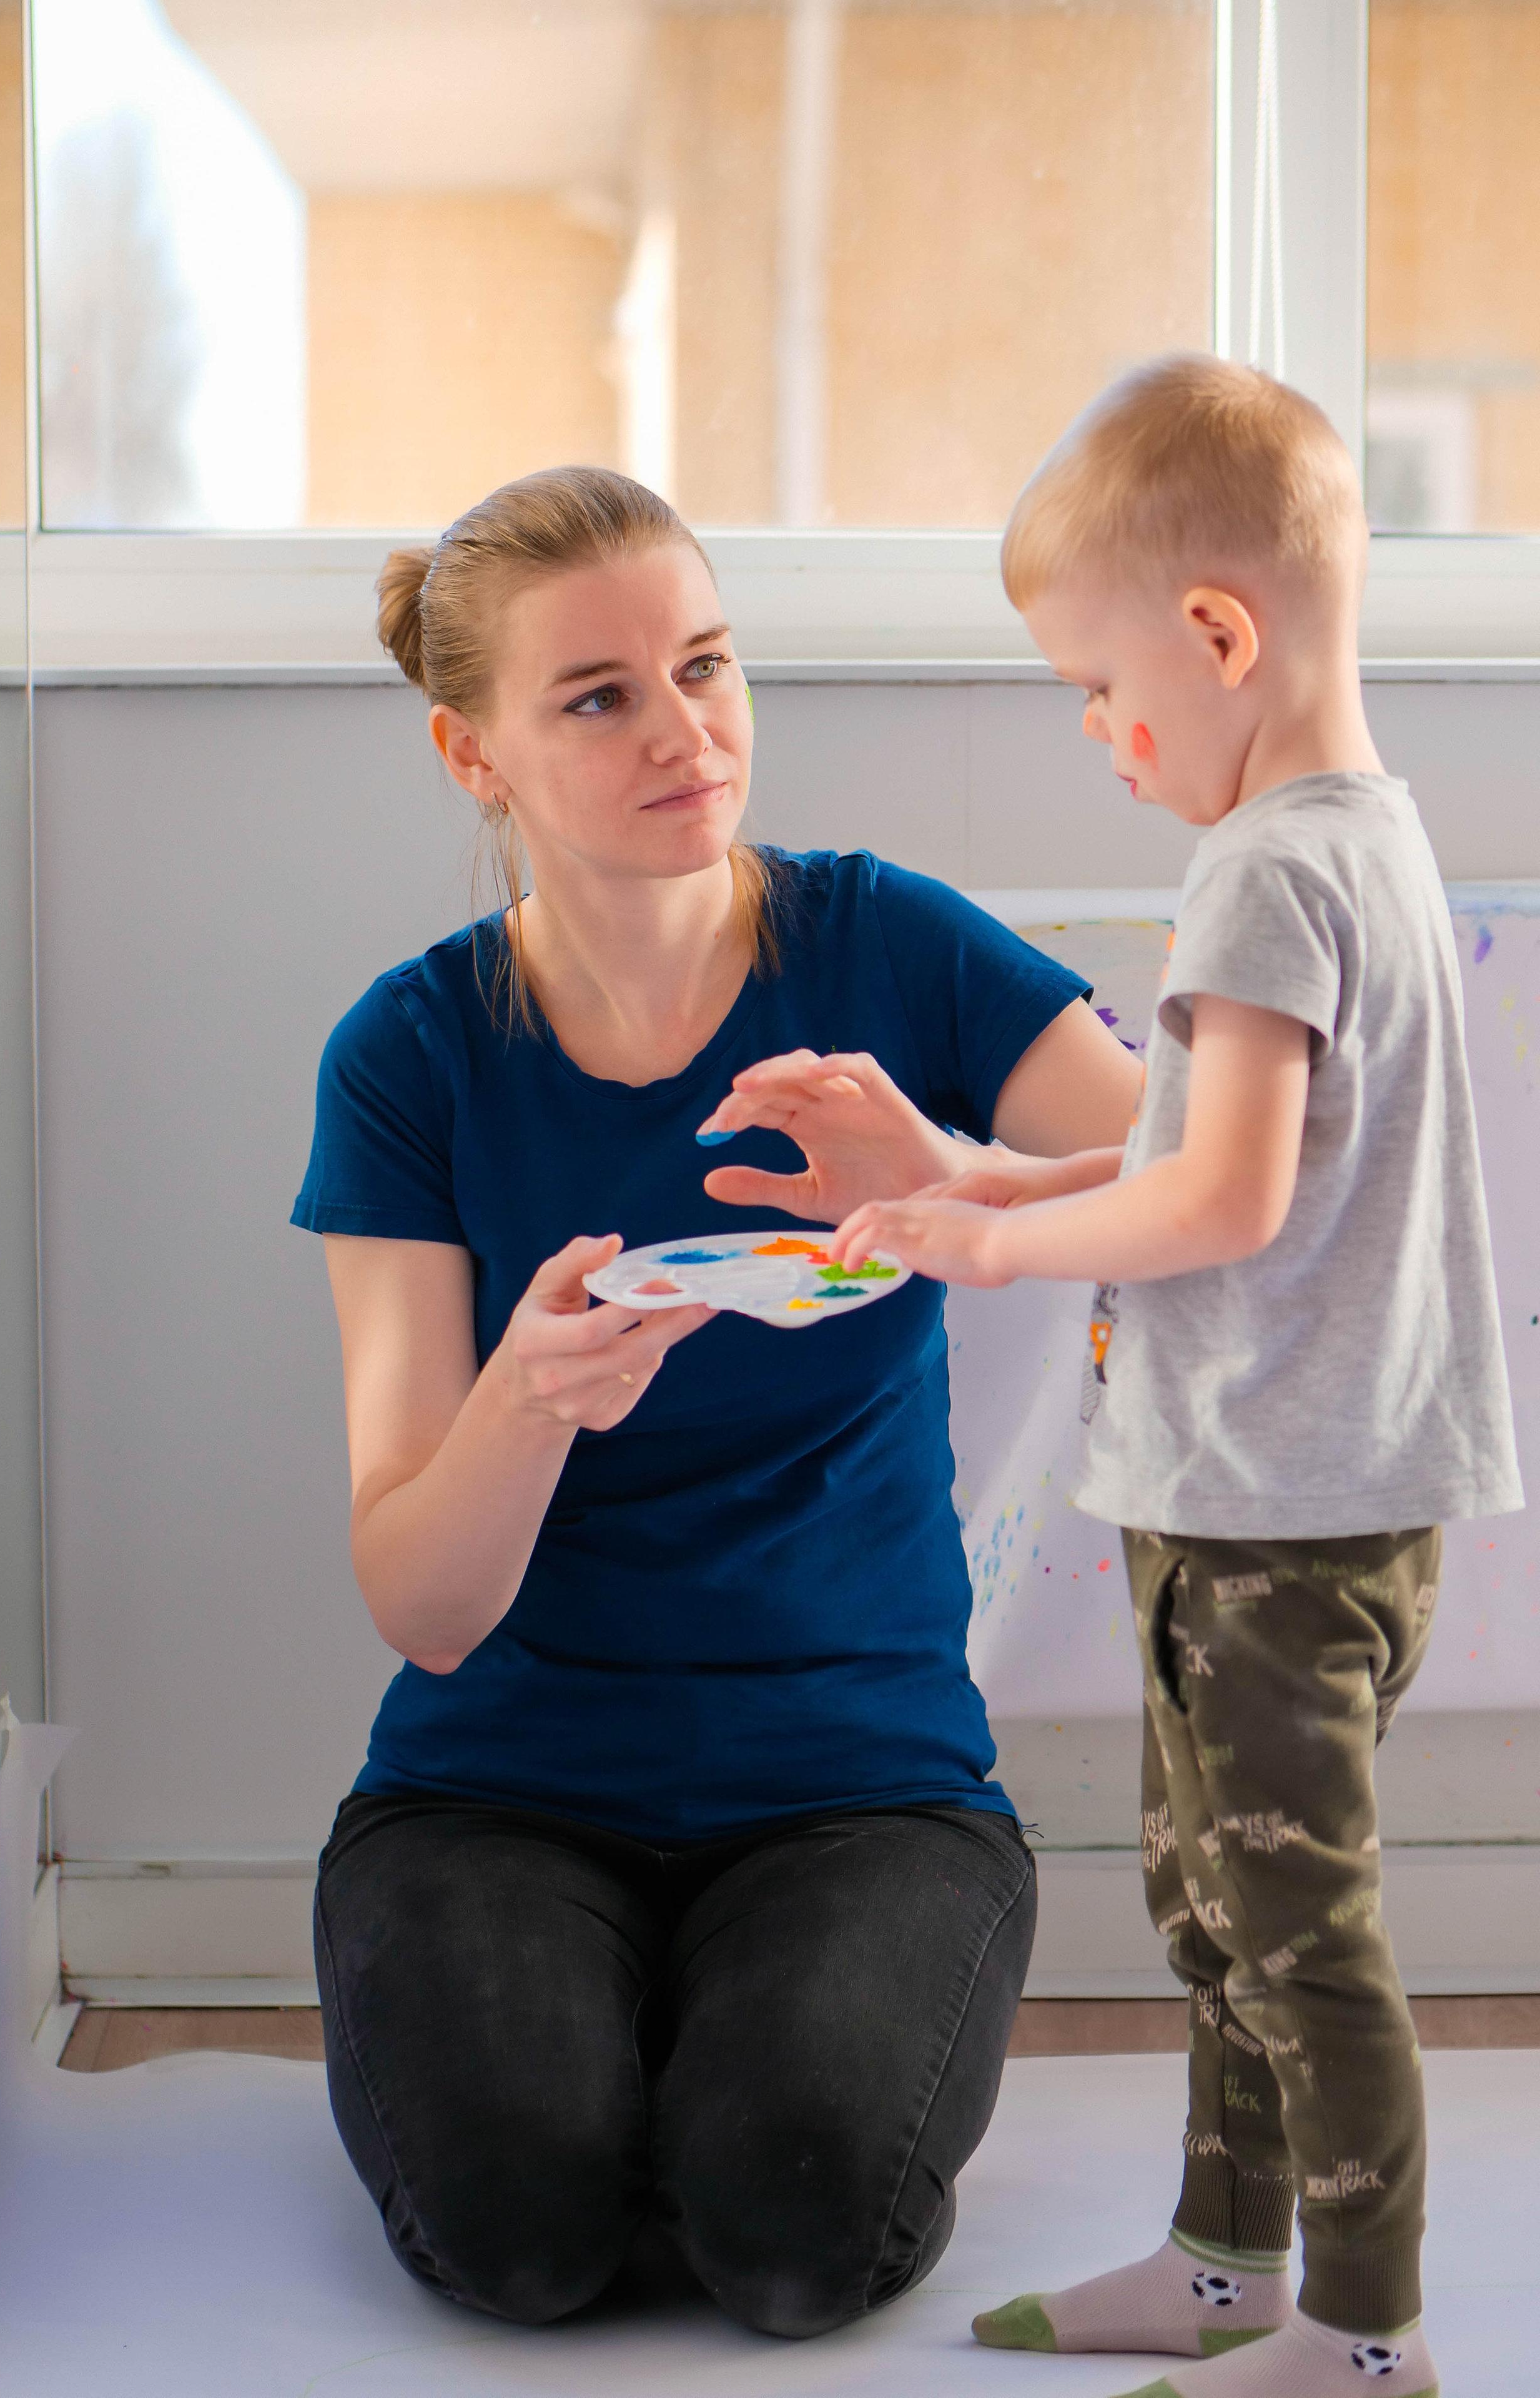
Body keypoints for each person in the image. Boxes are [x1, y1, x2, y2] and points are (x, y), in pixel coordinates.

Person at [290, 465, 1140, 2337]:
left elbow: (1236, 1198)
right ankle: (618, 2046)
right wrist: (524, 1396)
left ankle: (718, 2052)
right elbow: (423, 1605)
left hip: (863, 1789)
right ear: (474, 751)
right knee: (516, 2238)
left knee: (797, 2234)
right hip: (498, 1792)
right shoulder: (412, 1059)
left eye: (706, 665)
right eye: (598, 696)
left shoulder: (888, 948)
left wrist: (949, 1174)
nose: (688, 733)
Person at [829, 357, 1522, 2398]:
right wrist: (996, 1167)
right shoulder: (1365, 836)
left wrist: (991, 1249)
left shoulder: (1259, 870)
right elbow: (1236, 1145)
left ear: (1218, 635)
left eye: (1100, 687)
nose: (1099, 737)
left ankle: (1366, 2335)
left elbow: (1215, 1202)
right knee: (1219, 1912)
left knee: (1299, 1946)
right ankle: (1229, 2264)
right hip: (1309, 1504)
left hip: (1268, 1521)